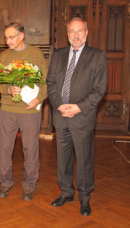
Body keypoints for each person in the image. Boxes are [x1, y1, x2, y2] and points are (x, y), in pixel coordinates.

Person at [46, 17, 108, 216]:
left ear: (86, 33)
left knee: (83, 158)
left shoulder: (97, 56)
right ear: (67, 33)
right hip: (61, 115)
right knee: (63, 158)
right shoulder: (58, 55)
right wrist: (60, 106)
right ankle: (66, 192)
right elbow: (51, 84)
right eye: (72, 31)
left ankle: (84, 197)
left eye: (80, 31)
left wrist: (78, 108)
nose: (76, 35)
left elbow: (99, 90)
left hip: (82, 117)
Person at [0, 22, 47, 201]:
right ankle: (5, 182)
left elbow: (45, 82)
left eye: (12, 37)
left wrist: (38, 99)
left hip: (29, 110)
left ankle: (29, 185)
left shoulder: (35, 53)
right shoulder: (4, 55)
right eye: (6, 37)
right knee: (5, 147)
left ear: (22, 36)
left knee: (30, 148)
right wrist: (9, 90)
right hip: (8, 108)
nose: (8, 40)